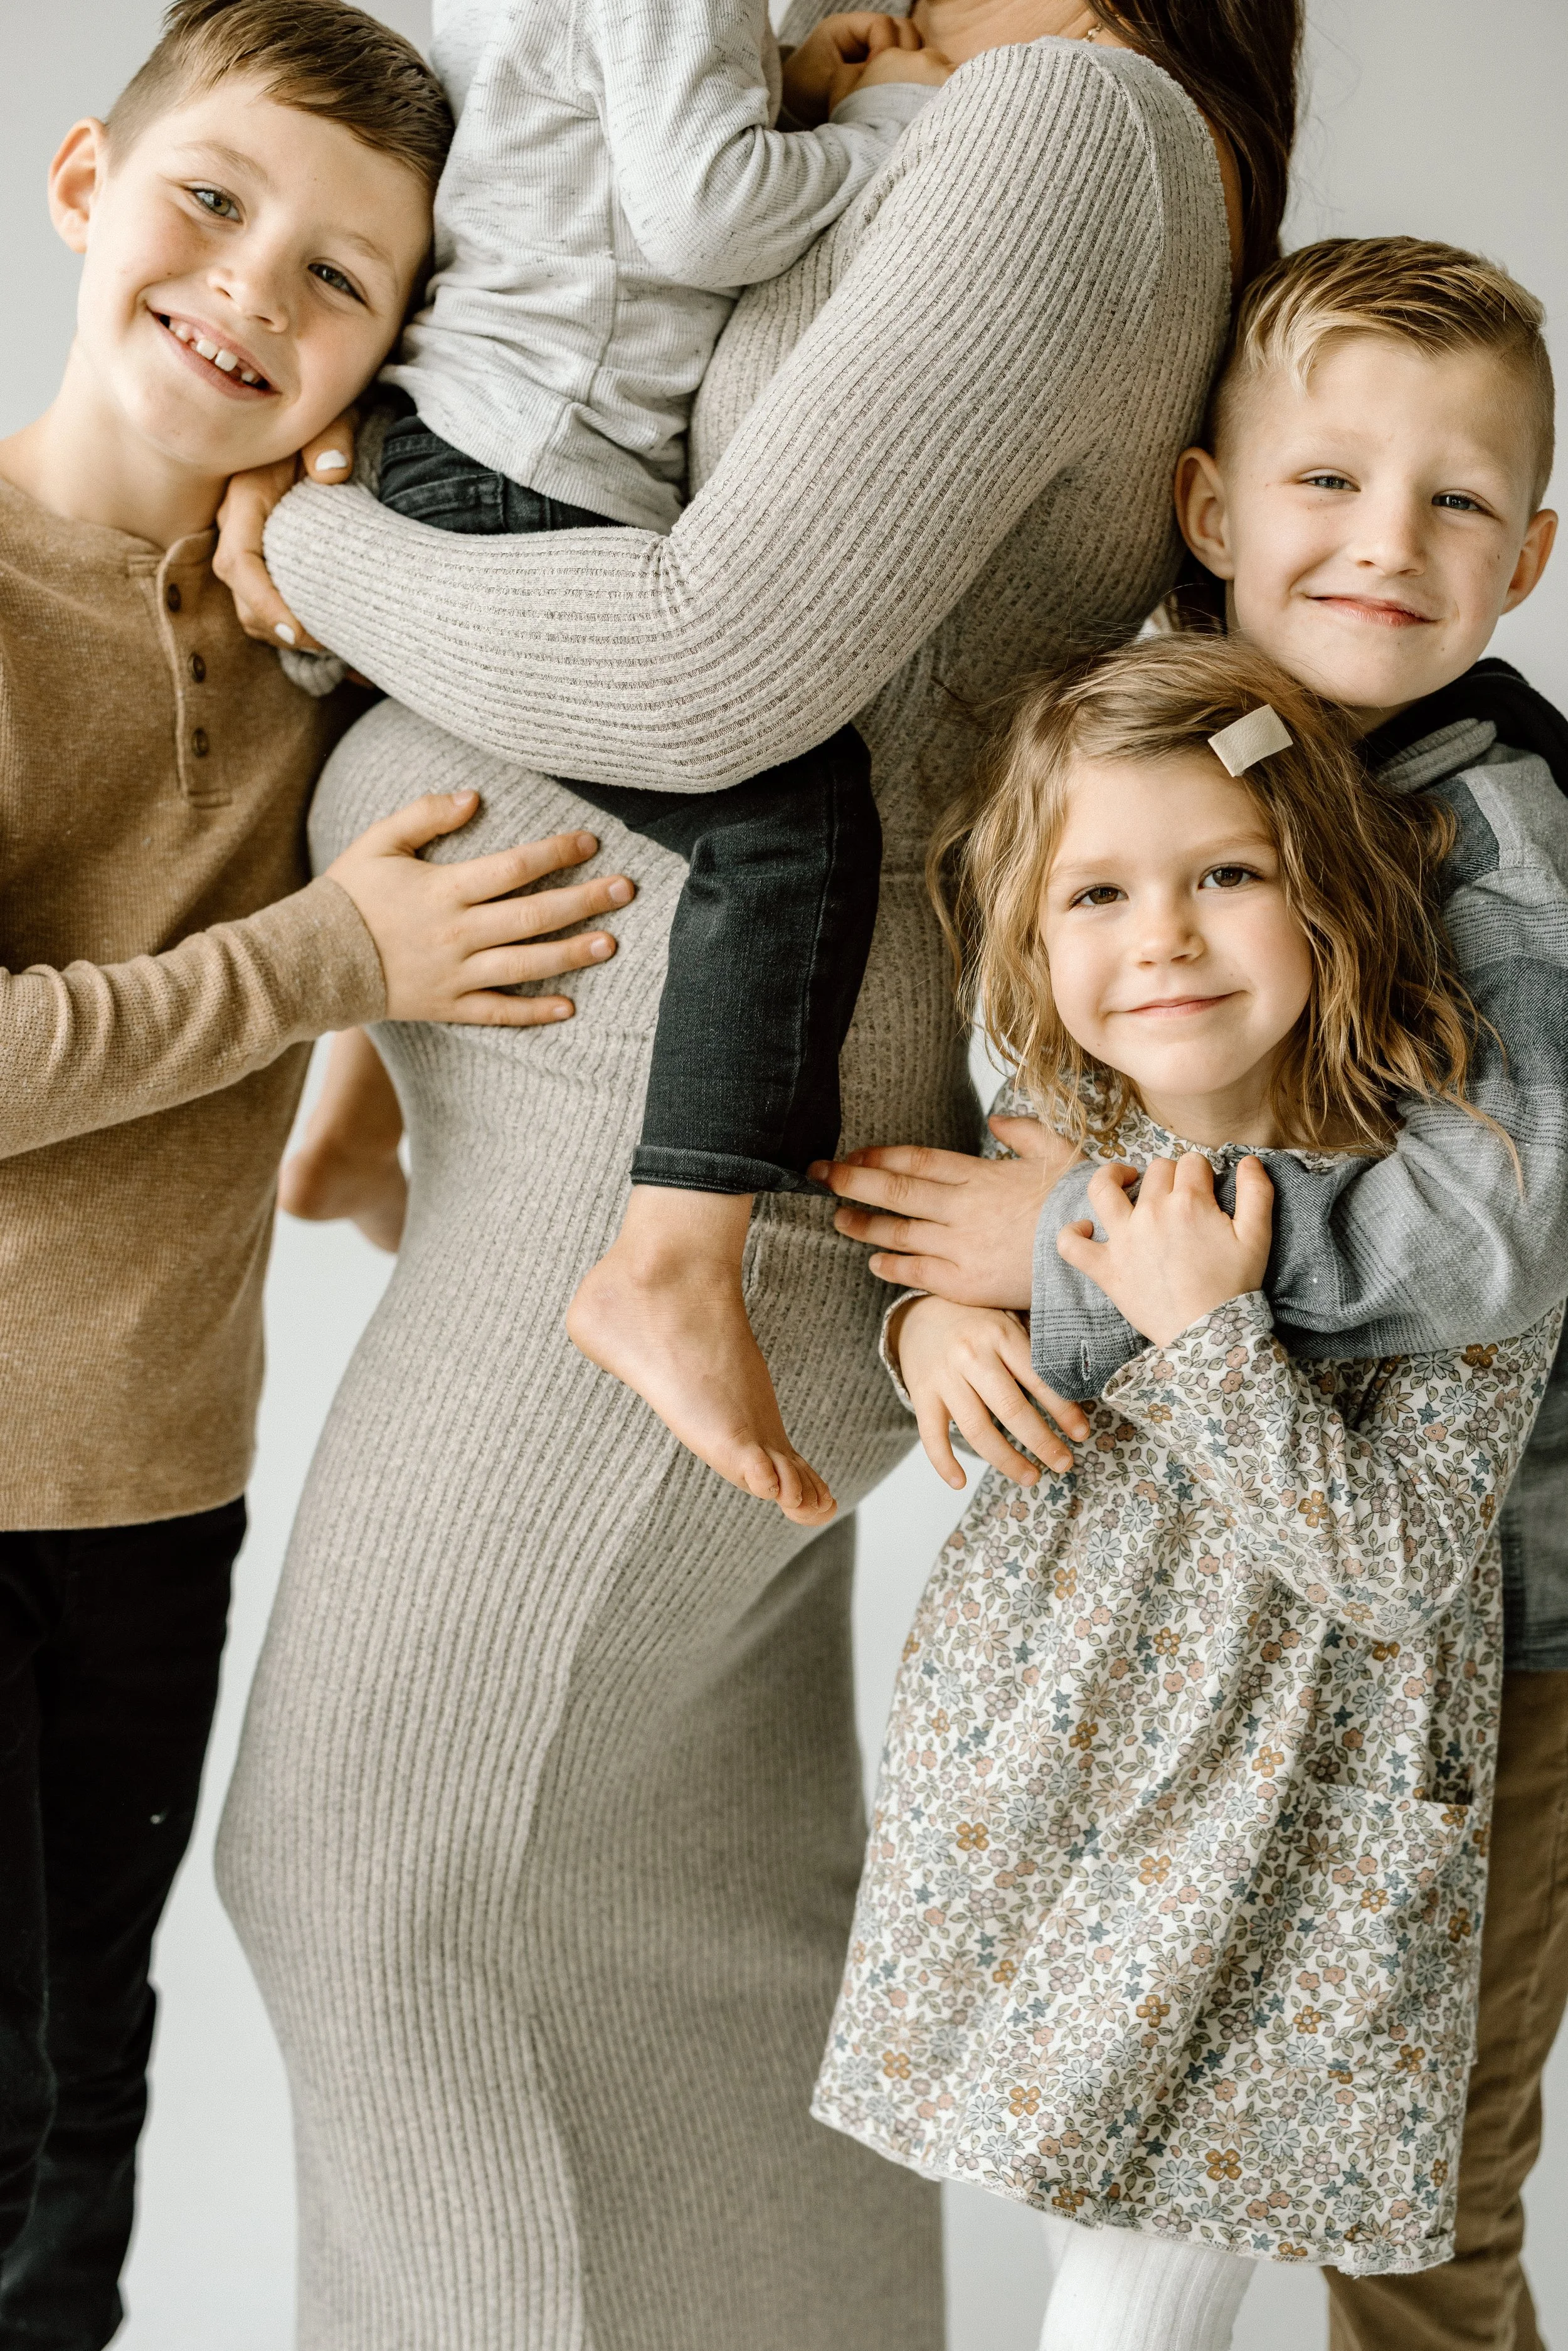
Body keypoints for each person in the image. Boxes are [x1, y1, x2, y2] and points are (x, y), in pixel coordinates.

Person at [210, 6, 1300, 2345]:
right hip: (602, 1125)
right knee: (685, 1938)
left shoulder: (1070, 119)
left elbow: (717, 669)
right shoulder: (940, 104)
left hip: (667, 1151)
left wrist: (307, 541)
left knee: (379, 1884)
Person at [814, 236, 1568, 2350]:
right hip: (1164, 1708)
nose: (1383, 543)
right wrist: (952, 1306)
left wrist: (1095, 1274)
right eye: (1328, 480)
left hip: (1484, 1639)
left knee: (1415, 2211)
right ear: (1210, 509)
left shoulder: (1493, 847)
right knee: (1139, 2178)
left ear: (1528, 555)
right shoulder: (1172, 765)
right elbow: (1019, 1137)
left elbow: (1495, 1245)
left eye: (1453, 499)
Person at [0, 3, 639, 2339]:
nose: (251, 290)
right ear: (87, 182)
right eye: (210, 201)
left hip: (154, 1482)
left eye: (338, 278)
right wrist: (331, 964)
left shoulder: (303, 614)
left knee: (85, 2091)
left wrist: (371, 1083)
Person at [236, 1, 955, 1527]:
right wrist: (890, 119)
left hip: (446, 443)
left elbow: (595, 162)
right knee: (793, 816)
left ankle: (355, 1120)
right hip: (525, 468)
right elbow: (702, 218)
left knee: (489, 765)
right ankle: (669, 1263)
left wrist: (792, 80)